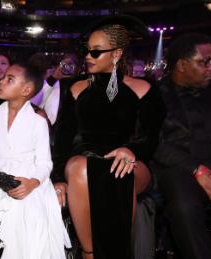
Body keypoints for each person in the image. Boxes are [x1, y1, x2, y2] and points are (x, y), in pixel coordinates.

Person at [51, 15, 165, 259]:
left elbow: (151, 137)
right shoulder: (74, 87)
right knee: (80, 167)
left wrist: (132, 150)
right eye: (87, 51)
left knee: (119, 170)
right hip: (85, 161)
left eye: (96, 52)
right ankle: (90, 254)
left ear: (116, 54)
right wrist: (58, 178)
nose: (88, 57)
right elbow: (62, 139)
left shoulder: (144, 88)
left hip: (132, 161)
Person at [0, 63, 70, 259]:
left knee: (26, 214)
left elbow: (45, 163)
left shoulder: (38, 122)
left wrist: (32, 183)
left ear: (26, 90)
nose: (1, 81)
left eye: (9, 79)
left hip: (30, 178)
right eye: (3, 77)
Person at [152, 33, 211, 259]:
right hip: (180, 172)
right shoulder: (155, 95)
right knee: (184, 206)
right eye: (204, 62)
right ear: (182, 64)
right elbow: (155, 144)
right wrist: (197, 170)